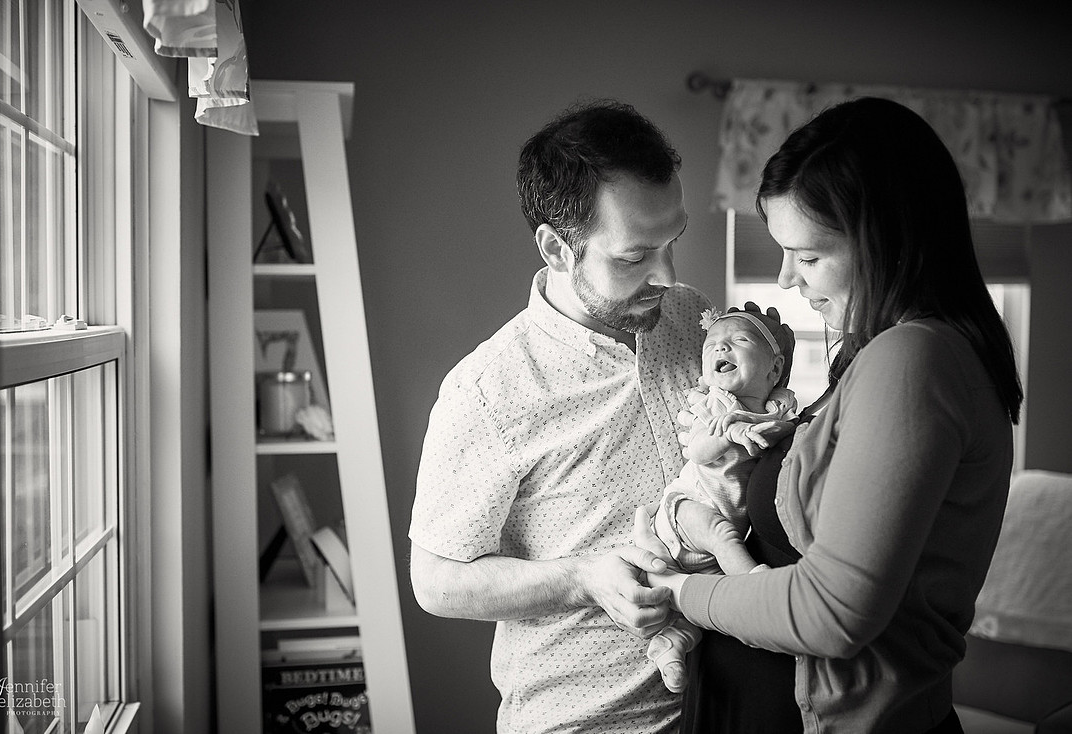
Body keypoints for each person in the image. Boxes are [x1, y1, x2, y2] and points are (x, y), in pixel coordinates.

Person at [635, 96, 1023, 734]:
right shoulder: (893, 357)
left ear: (887, 239)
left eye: (809, 257)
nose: (786, 279)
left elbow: (832, 614)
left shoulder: (914, 359)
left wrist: (677, 593)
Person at [409, 100, 712, 734]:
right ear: (556, 247)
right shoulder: (487, 391)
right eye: (633, 257)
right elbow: (436, 582)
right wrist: (582, 579)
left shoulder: (693, 320)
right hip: (582, 723)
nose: (669, 276)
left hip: (725, 705)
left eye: (673, 241)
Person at [646, 305, 798, 694]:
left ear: (774, 368)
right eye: (711, 345)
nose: (720, 349)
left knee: (707, 608)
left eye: (738, 341)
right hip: (688, 508)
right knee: (722, 537)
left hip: (719, 535)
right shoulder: (715, 405)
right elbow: (697, 451)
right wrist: (728, 434)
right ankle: (753, 585)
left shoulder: (774, 407)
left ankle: (670, 645)